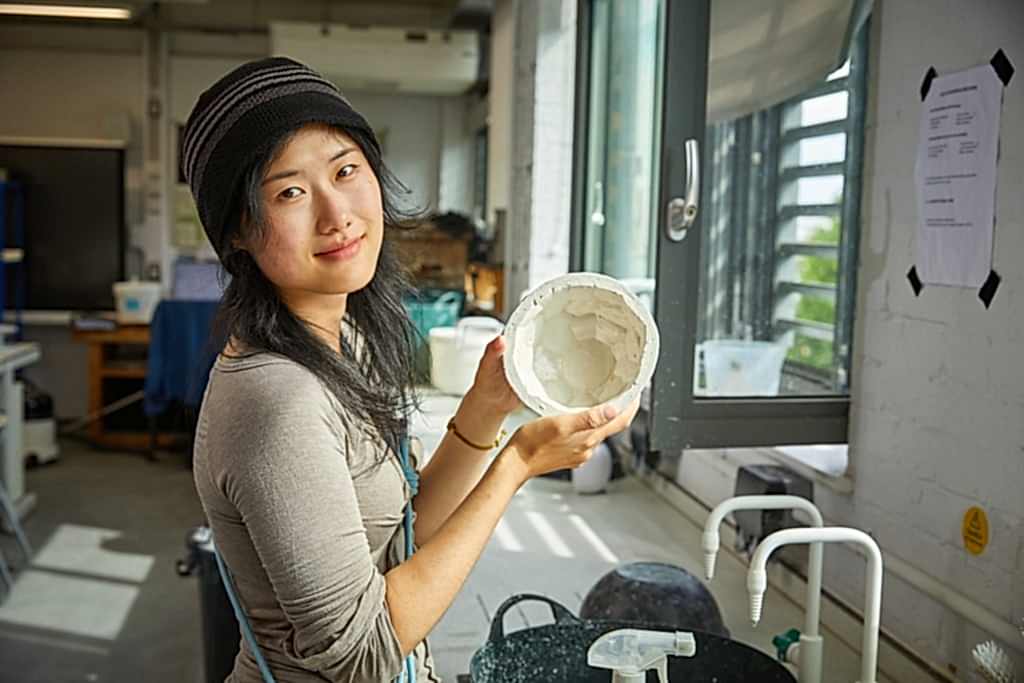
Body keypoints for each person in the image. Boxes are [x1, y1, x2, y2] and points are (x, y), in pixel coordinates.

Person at [184, 57, 639, 683]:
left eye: (346, 170)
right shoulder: (277, 399)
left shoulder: (343, 338)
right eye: (290, 191)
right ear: (237, 230)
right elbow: (364, 656)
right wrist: (518, 464)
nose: (336, 213)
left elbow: (404, 533)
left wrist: (487, 407)